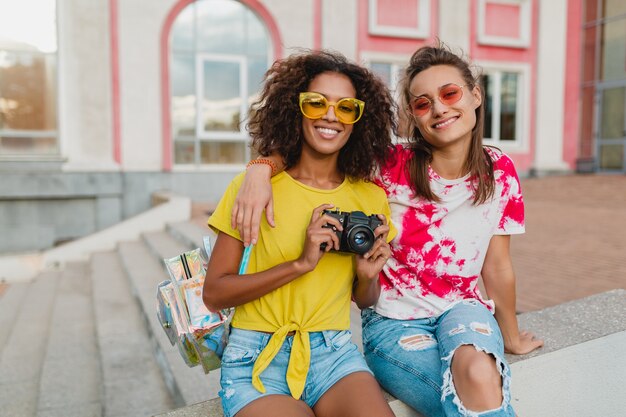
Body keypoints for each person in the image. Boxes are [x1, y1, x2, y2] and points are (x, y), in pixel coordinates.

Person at [230, 42, 544, 417]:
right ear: (413, 115)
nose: (439, 109)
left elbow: (497, 267)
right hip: (392, 321)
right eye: (423, 103)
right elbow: (321, 147)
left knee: (479, 370)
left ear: (475, 95)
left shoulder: (500, 170)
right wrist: (261, 167)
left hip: (463, 309)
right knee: (472, 397)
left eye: (450, 93)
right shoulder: (390, 166)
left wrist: (510, 335)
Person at [203, 50, 398, 417]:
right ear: (296, 109)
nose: (330, 116)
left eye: (346, 108)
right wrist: (301, 264)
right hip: (256, 357)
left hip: (334, 353)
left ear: (359, 120)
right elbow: (215, 293)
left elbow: (365, 300)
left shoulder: (370, 198)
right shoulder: (255, 188)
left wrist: (368, 278)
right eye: (316, 103)